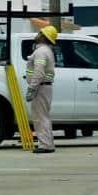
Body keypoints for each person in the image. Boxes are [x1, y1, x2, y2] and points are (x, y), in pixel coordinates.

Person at [25, 25, 57, 153]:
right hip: (44, 87)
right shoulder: (45, 50)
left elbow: (38, 72)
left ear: (44, 36)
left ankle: (45, 145)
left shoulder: (41, 52)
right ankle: (48, 144)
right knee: (44, 116)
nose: (37, 34)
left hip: (40, 88)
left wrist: (32, 88)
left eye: (40, 32)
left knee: (40, 117)